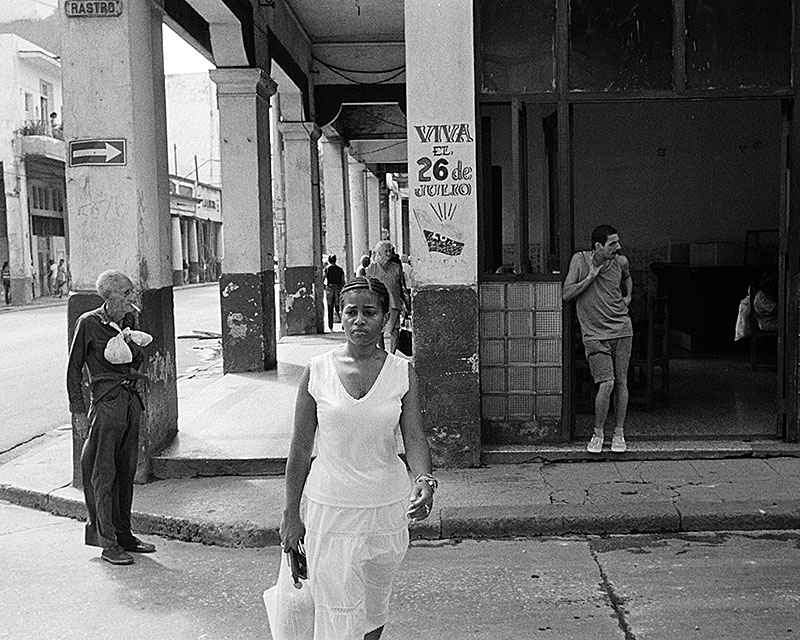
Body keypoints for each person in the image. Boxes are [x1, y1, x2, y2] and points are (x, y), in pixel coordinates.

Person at [278, 276, 435, 640]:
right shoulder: (316, 371)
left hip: (386, 509)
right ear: (341, 316)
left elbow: (414, 438)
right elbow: (301, 448)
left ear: (385, 318)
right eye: (351, 312)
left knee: (372, 608)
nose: (360, 320)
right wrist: (290, 513)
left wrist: (424, 481)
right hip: (330, 509)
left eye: (370, 312)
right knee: (336, 609)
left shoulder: (401, 373)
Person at [66, 270, 156, 565]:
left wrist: (133, 343)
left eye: (132, 292)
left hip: (130, 401)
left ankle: (124, 534)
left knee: (125, 472)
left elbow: (135, 361)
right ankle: (108, 544)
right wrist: (78, 411)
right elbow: (74, 369)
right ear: (109, 296)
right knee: (103, 475)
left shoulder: (130, 320)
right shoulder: (89, 323)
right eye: (127, 293)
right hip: (106, 405)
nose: (133, 297)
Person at [562, 225, 633, 454]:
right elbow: (566, 294)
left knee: (621, 382)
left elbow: (628, 278)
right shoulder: (580, 261)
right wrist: (591, 276)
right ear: (598, 246)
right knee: (607, 383)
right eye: (613, 243)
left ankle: (619, 433)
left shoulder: (621, 262)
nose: (618, 247)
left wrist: (628, 296)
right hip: (594, 334)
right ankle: (598, 433)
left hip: (621, 329)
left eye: (618, 242)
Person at [366, 241, 408, 354]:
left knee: (395, 330)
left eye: (390, 251)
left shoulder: (396, 267)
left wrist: (406, 304)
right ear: (379, 253)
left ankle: (392, 354)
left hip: (394, 303)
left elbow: (402, 286)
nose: (389, 253)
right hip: (378, 304)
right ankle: (382, 352)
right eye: (386, 251)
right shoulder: (371, 269)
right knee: (379, 330)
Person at [323, 254, 345, 331]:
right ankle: (343, 324)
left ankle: (330, 326)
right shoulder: (340, 269)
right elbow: (343, 281)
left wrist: (324, 287)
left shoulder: (327, 269)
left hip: (329, 289)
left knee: (330, 308)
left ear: (329, 260)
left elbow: (323, 279)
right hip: (338, 289)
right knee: (339, 307)